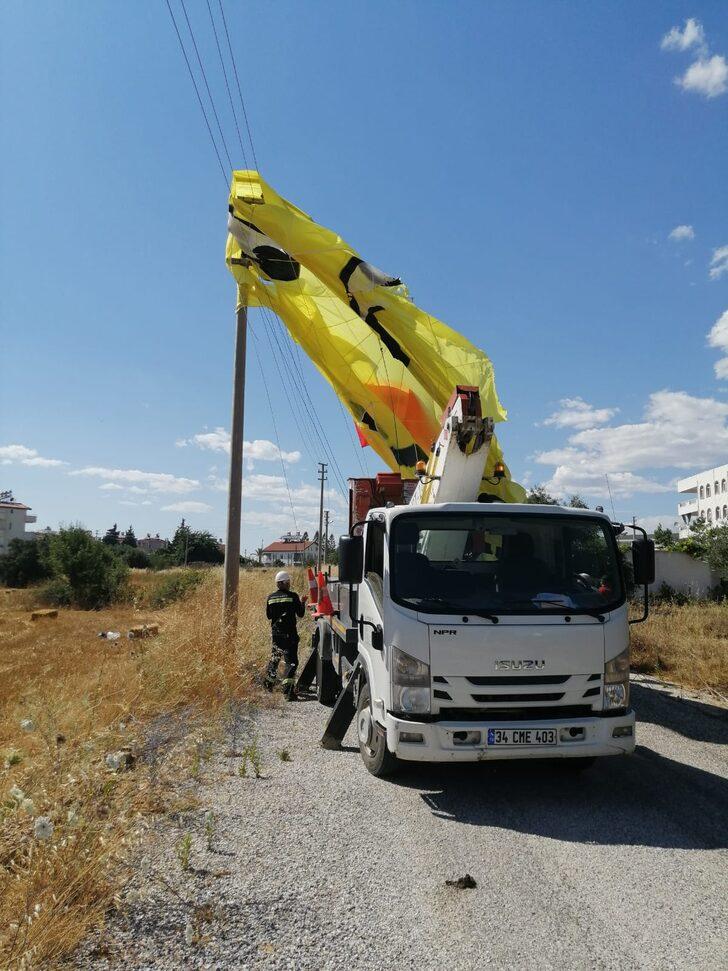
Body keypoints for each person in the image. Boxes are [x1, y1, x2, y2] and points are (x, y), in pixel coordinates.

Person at [264, 570, 307, 700]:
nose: (289, 584)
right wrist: (302, 602)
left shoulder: (271, 597)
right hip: (290, 635)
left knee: (275, 659)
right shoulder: (293, 596)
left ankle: (268, 686)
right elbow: (300, 614)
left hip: (276, 634)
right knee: (291, 662)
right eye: (288, 582)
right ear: (285, 583)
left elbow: (269, 616)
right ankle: (288, 693)